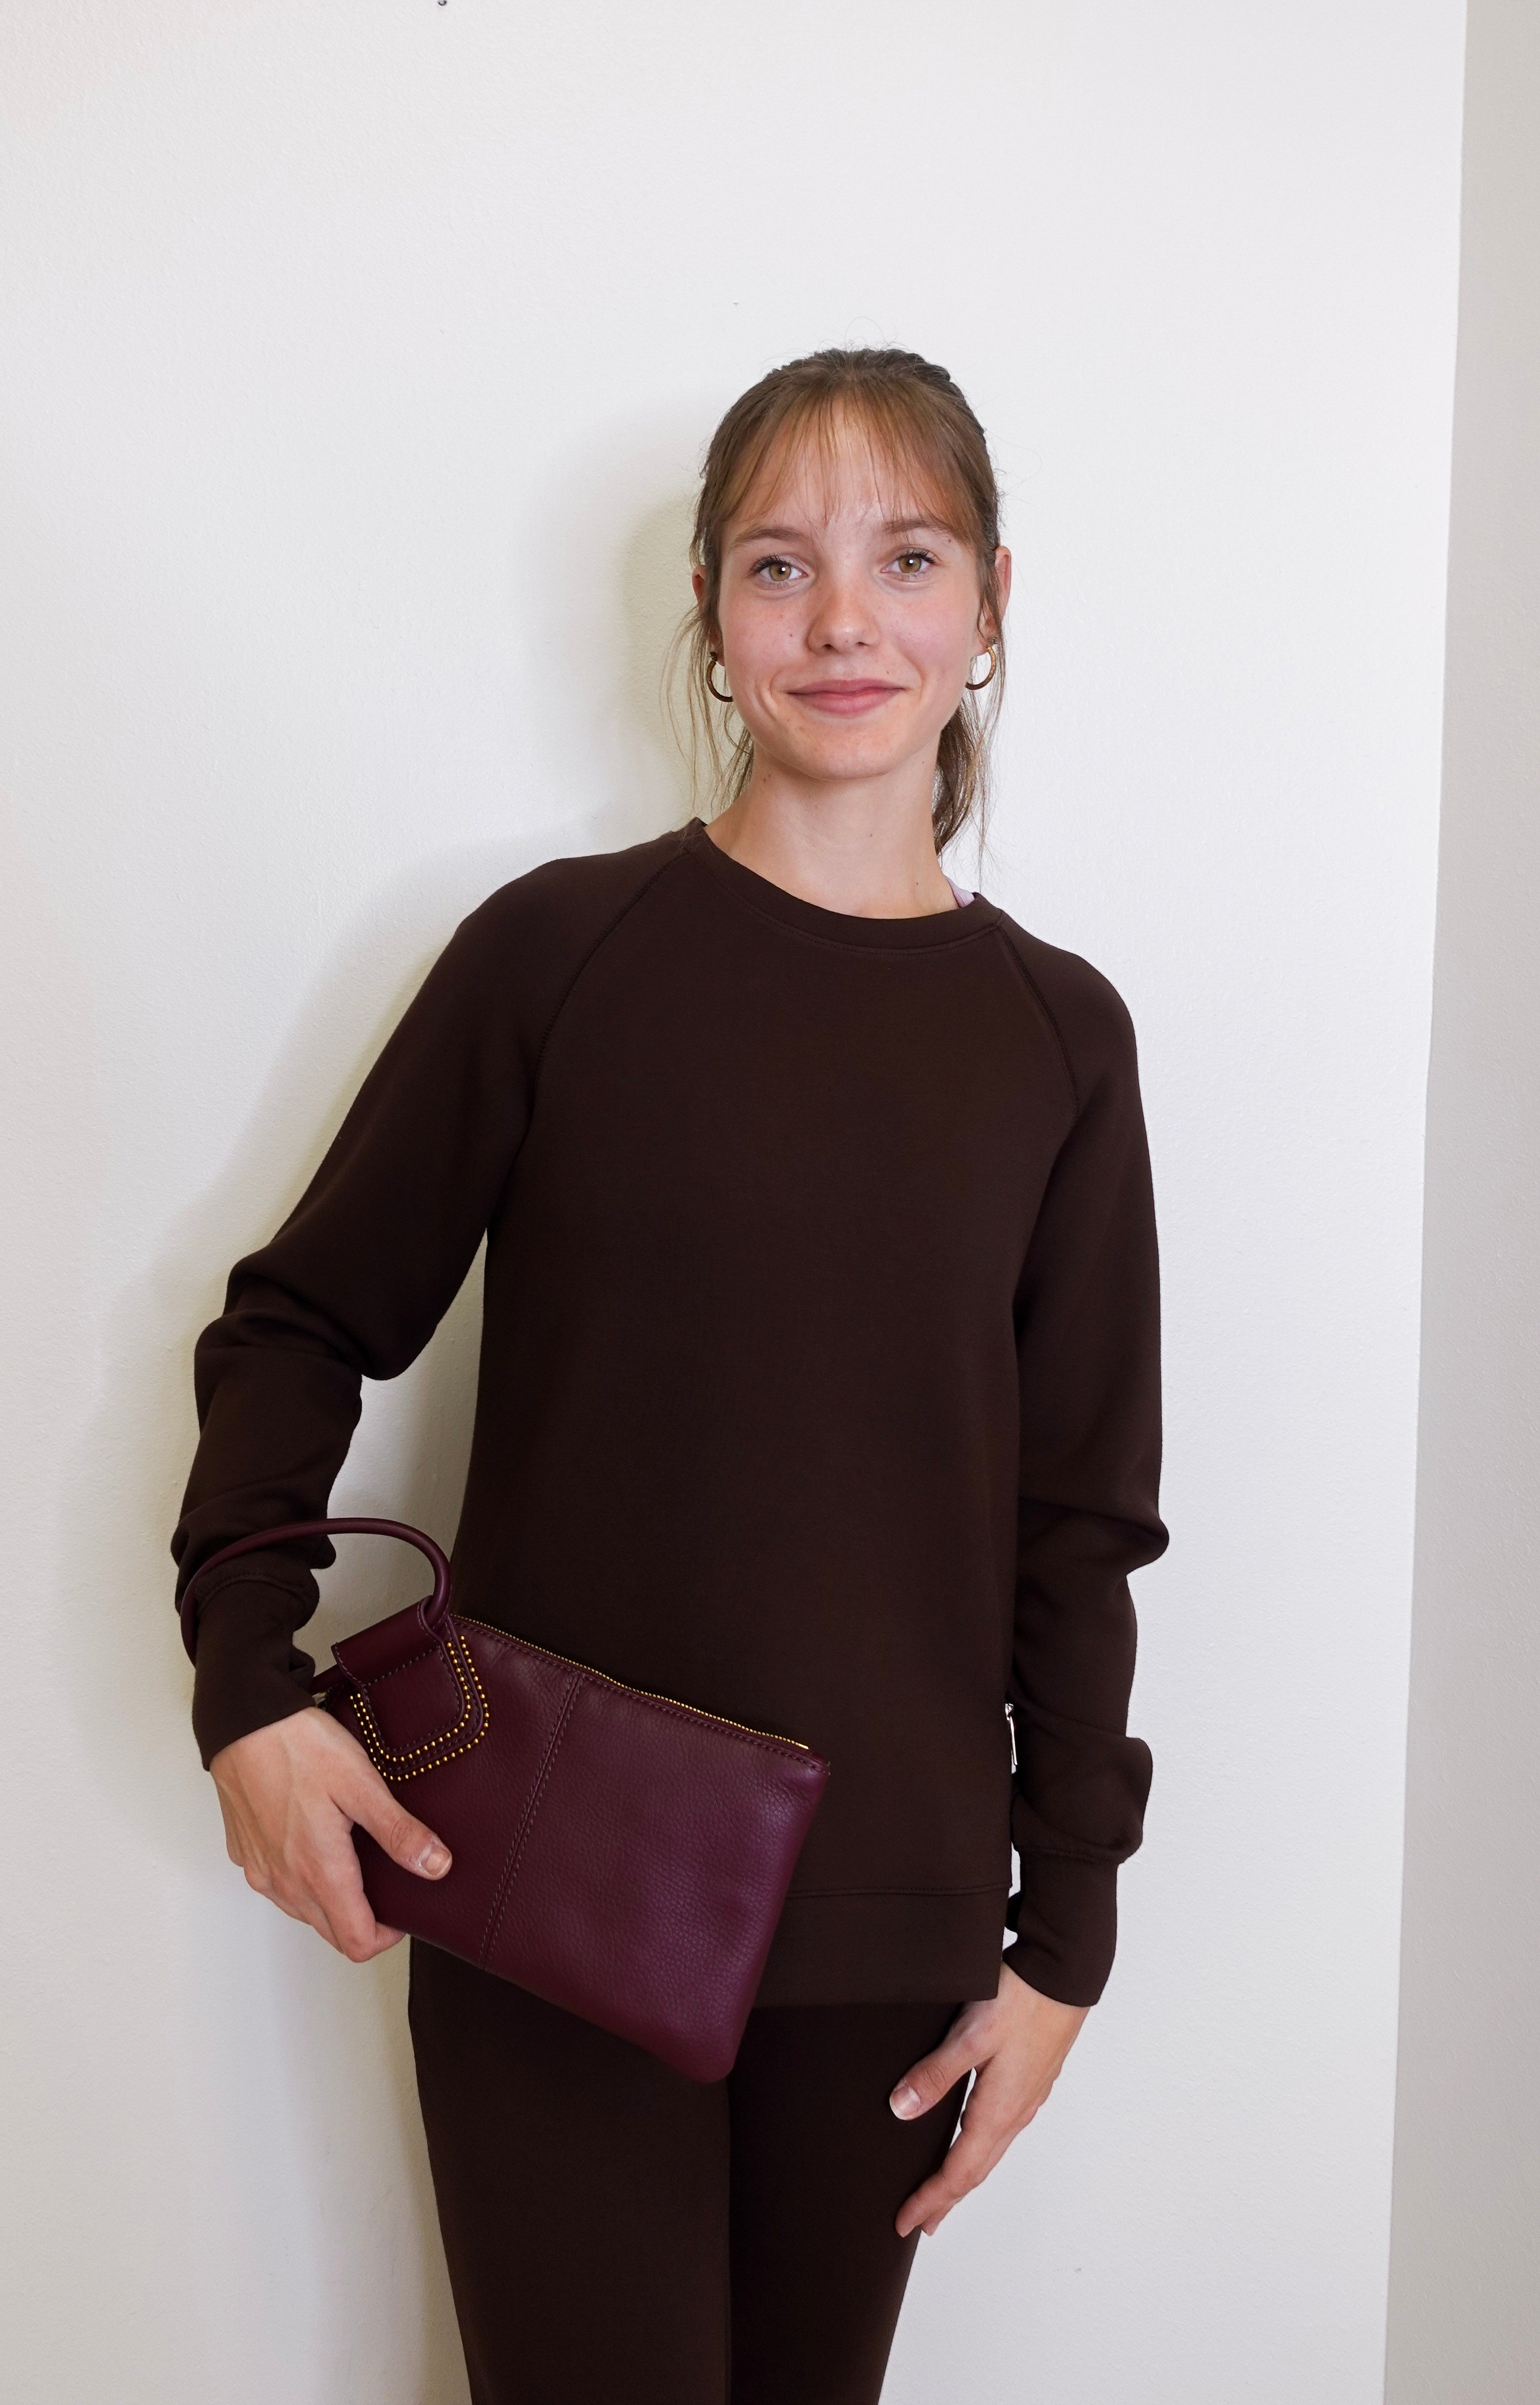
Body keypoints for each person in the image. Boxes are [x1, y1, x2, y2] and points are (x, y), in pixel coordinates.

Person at [172, 347, 1169, 2404]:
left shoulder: (1063, 1041)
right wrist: (245, 1680)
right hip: (558, 1896)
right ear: (712, 615)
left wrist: (1068, 1932)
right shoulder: (559, 957)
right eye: (779, 564)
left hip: (892, 1932)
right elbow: (301, 1317)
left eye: (905, 557)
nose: (843, 619)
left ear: (991, 604)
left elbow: (1076, 1526)